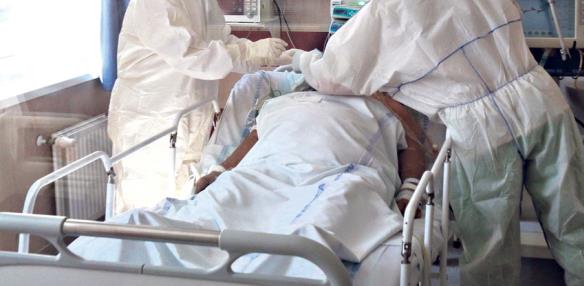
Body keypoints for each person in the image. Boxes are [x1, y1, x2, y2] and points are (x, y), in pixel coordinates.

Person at [281, 0, 584, 285]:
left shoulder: (380, 15)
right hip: (540, 101)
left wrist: (299, 60)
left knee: (489, 250)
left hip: (482, 132)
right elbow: (511, 9)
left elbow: (333, 76)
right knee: (579, 227)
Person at [71, 74, 427, 283]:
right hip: (259, 176)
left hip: (336, 176)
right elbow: (251, 142)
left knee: (319, 226)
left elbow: (414, 145)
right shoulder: (282, 102)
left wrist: (409, 190)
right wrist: (220, 172)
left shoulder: (382, 108)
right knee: (155, 221)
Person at [108, 0, 287, 213]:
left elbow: (222, 42)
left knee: (183, 202)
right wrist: (250, 53)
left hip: (188, 115)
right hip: (151, 120)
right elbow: (190, 55)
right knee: (147, 207)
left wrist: (264, 55)